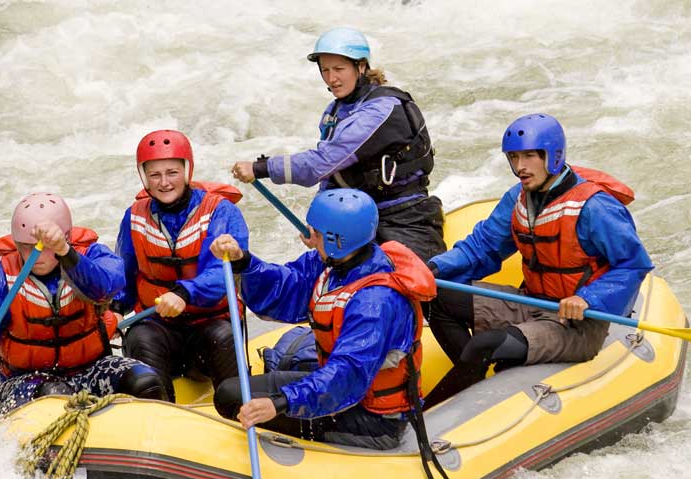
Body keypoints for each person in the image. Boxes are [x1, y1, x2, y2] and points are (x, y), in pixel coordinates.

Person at [424, 113, 654, 406]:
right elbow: (482, 247)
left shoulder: (595, 207)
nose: (520, 166)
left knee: (484, 344)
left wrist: (588, 299)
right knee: (434, 296)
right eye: (514, 157)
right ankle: (476, 382)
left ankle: (431, 412)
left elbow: (634, 264)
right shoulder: (518, 198)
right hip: (530, 302)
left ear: (553, 156)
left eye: (530, 156)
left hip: (576, 324)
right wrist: (433, 268)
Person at [208, 188, 435, 451]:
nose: (308, 237)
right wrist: (244, 262)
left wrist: (282, 403)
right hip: (341, 389)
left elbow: (348, 374)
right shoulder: (334, 264)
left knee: (232, 398)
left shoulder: (374, 303)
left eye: (315, 233)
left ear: (336, 240)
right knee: (229, 392)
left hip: (371, 418)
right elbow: (287, 288)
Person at [0, 193, 167, 413]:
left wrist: (65, 253)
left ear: (66, 238)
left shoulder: (92, 256)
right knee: (56, 396)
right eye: (25, 246)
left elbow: (107, 286)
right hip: (22, 382)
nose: (35, 256)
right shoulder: (0, 283)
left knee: (146, 382)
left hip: (90, 370)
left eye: (45, 247)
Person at [230, 26, 445, 263]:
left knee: (417, 280)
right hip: (359, 220)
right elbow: (331, 176)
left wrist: (261, 168)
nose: (332, 78)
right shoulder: (335, 111)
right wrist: (320, 227)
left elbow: (320, 164)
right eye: (325, 70)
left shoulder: (380, 110)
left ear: (361, 67)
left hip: (405, 218)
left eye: (339, 69)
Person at [114, 130, 249, 401]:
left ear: (187, 171)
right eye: (155, 175)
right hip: (158, 327)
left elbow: (222, 274)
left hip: (209, 325)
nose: (164, 182)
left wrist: (184, 293)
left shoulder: (221, 212)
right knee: (139, 338)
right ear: (144, 178)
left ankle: (236, 408)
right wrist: (115, 310)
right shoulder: (134, 217)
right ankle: (158, 409)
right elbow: (124, 275)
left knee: (223, 336)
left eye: (172, 173)